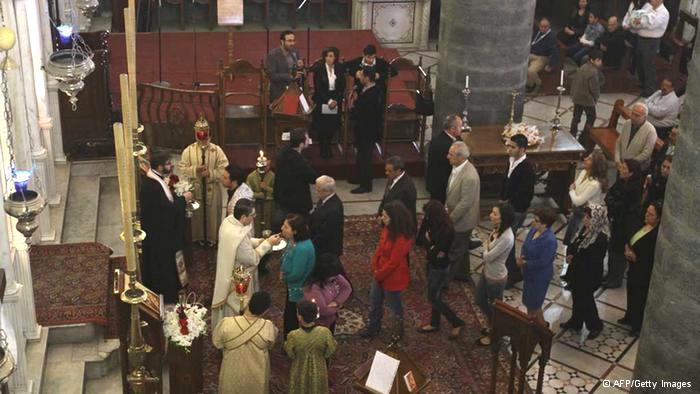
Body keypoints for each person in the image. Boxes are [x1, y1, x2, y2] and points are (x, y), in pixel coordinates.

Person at [212, 199, 281, 326]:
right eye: (252, 215)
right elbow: (252, 258)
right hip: (239, 278)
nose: (254, 218)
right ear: (243, 216)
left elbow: (243, 243)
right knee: (239, 307)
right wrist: (268, 243)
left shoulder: (229, 222)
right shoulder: (238, 235)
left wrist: (259, 241)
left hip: (227, 270)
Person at [140, 151, 192, 303]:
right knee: (164, 268)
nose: (172, 165)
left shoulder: (156, 180)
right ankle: (167, 296)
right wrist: (183, 199)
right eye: (169, 163)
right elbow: (166, 212)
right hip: (160, 238)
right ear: (160, 166)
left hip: (160, 233)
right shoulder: (152, 186)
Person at [360, 201, 414, 339]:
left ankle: (397, 332)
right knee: (375, 302)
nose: (381, 219)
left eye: (385, 217)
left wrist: (379, 274)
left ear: (394, 218)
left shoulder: (402, 238)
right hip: (380, 272)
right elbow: (380, 248)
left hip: (392, 277)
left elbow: (394, 262)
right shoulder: (387, 229)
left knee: (394, 307)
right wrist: (374, 265)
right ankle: (373, 327)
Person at [416, 200, 465, 338]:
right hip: (432, 263)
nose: (425, 218)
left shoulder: (446, 230)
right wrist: (429, 242)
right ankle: (434, 322)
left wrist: (429, 242)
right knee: (434, 295)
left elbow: (434, 251)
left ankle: (456, 321)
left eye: (427, 215)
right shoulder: (432, 223)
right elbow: (420, 240)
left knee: (433, 298)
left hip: (440, 267)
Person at [213, 291, 278, 394]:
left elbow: (217, 343)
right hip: (257, 375)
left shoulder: (226, 323)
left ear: (249, 303)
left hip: (232, 371)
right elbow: (270, 346)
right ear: (265, 311)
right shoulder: (268, 327)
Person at [179, 115, 229, 246]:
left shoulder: (216, 150)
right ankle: (198, 237)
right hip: (196, 188)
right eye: (199, 132)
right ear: (195, 133)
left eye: (204, 132)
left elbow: (224, 167)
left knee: (212, 216)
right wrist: (195, 169)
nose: (202, 135)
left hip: (212, 188)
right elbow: (182, 169)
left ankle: (211, 238)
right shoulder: (188, 151)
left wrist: (211, 173)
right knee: (198, 215)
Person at [561, 205, 609, 339]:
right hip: (577, 272)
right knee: (577, 297)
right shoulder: (585, 230)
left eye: (588, 217)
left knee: (586, 301)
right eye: (585, 217)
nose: (584, 220)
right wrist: (570, 253)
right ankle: (576, 321)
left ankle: (595, 325)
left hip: (588, 275)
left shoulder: (601, 238)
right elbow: (574, 244)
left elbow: (593, 260)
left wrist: (575, 257)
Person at [619, 201, 662, 336]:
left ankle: (637, 325)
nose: (646, 215)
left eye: (650, 214)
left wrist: (635, 257)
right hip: (633, 267)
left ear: (658, 218)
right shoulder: (643, 225)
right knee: (631, 292)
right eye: (647, 212)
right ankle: (629, 316)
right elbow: (631, 237)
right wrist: (627, 247)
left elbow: (651, 256)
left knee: (639, 297)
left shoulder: (656, 235)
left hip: (643, 271)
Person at [475, 203, 515, 346]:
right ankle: (493, 325)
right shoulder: (498, 229)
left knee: (495, 308)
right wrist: (486, 247)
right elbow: (488, 245)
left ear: (503, 218)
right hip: (487, 272)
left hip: (496, 277)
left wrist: (485, 247)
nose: (491, 215)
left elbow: (487, 256)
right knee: (479, 299)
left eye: (495, 214)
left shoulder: (507, 237)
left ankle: (495, 333)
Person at [501, 134, 535, 287]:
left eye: (512, 147)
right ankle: (511, 271)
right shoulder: (511, 160)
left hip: (517, 210)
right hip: (509, 207)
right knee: (508, 239)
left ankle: (513, 274)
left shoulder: (527, 167)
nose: (508, 149)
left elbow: (525, 193)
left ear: (522, 149)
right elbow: (507, 182)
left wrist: (509, 202)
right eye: (508, 146)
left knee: (508, 240)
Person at [603, 159, 644, 289]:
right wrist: (613, 202)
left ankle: (616, 279)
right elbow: (609, 195)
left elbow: (624, 206)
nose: (621, 169)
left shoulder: (634, 188)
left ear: (631, 173)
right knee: (612, 248)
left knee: (619, 251)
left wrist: (614, 202)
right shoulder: (621, 181)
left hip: (626, 224)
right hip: (616, 220)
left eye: (624, 168)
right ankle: (609, 274)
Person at [284, 300, 337, 394]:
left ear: (299, 317)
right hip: (319, 366)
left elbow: (290, 354)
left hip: (299, 367)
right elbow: (332, 349)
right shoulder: (324, 332)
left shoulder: (293, 335)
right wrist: (322, 356)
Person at [445, 141, 480, 282]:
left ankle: (446, 280)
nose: (447, 156)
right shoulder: (457, 167)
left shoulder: (469, 177)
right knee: (462, 248)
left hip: (462, 220)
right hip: (454, 212)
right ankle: (464, 273)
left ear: (461, 157)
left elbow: (465, 203)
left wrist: (449, 219)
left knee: (455, 251)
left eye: (451, 154)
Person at [518, 208, 558, 325]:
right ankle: (532, 323)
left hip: (539, 277)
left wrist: (525, 263)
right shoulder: (533, 230)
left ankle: (541, 328)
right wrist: (522, 258)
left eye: (536, 220)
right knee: (528, 302)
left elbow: (544, 261)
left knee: (535, 305)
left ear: (545, 224)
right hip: (529, 273)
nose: (533, 222)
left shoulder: (550, 240)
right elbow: (525, 246)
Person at [273, 128, 318, 230]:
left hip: (281, 196)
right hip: (296, 201)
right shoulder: (298, 161)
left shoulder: (284, 153)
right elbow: (312, 177)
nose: (308, 140)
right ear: (301, 144)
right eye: (306, 138)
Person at [623, 0, 670, 97]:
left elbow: (651, 24)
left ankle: (650, 88)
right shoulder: (648, 8)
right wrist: (638, 21)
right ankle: (642, 82)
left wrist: (639, 21)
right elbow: (637, 16)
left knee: (648, 64)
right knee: (640, 62)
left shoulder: (664, 12)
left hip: (651, 41)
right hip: (641, 38)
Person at [280, 214, 316, 338]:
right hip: (291, 284)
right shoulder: (294, 241)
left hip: (297, 287)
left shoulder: (302, 248)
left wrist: (284, 277)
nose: (282, 228)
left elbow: (297, 274)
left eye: (286, 227)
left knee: (292, 316)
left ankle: (292, 340)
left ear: (295, 231)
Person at [350, 67, 384, 194]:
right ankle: (359, 177)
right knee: (360, 155)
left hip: (368, 130)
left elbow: (363, 111)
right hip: (362, 129)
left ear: (368, 78)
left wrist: (355, 102)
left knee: (366, 157)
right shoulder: (368, 88)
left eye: (362, 76)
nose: (360, 78)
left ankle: (366, 184)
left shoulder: (373, 94)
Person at [563, 150, 608, 246]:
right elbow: (577, 188)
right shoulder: (583, 172)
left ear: (595, 165)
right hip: (578, 208)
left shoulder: (595, 184)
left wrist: (571, 190)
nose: (585, 159)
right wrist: (575, 192)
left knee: (580, 237)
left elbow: (578, 199)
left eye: (589, 159)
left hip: (587, 213)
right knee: (571, 231)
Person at [303, 253, 353, 332]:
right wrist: (338, 306)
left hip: (331, 320)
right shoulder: (313, 290)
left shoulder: (333, 276)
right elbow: (324, 311)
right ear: (323, 274)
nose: (337, 278)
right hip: (318, 325)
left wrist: (337, 302)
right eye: (334, 276)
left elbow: (347, 288)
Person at [312, 47, 345, 159]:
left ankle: (329, 146)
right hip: (322, 99)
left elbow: (342, 87)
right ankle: (323, 148)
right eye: (330, 56)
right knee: (322, 126)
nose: (333, 58)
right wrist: (328, 100)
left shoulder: (340, 68)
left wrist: (335, 100)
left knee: (332, 125)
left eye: (334, 56)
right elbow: (318, 88)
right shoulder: (319, 69)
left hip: (336, 99)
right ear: (325, 57)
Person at [570, 49, 603, 153]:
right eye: (599, 60)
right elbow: (594, 88)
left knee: (576, 117)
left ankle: (572, 135)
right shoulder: (593, 72)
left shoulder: (582, 67)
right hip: (587, 99)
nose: (601, 63)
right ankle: (583, 138)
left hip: (577, 97)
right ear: (594, 60)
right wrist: (595, 98)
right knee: (592, 117)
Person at [426, 114, 463, 203]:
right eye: (460, 126)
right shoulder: (449, 146)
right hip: (442, 185)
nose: (462, 129)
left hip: (434, 181)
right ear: (452, 129)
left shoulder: (440, 137)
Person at [614, 103, 658, 172]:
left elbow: (646, 154)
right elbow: (619, 142)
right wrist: (617, 159)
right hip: (622, 163)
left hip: (636, 168)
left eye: (637, 115)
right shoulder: (627, 123)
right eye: (632, 114)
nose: (633, 117)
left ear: (645, 117)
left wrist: (628, 165)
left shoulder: (651, 131)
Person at [378, 156, 417, 228]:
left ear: (398, 170)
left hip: (401, 226)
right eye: (386, 170)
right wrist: (380, 214)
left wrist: (387, 221)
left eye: (389, 171)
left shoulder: (407, 188)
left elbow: (402, 213)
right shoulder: (392, 177)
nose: (386, 173)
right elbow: (386, 197)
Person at [310, 175, 344, 257]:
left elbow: (326, 234)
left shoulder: (333, 210)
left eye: (318, 190)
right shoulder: (324, 199)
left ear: (325, 191)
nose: (315, 192)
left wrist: (309, 244)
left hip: (327, 250)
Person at [266, 30, 303, 101]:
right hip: (280, 92)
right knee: (289, 110)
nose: (292, 43)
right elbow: (272, 76)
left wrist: (300, 67)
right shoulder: (273, 55)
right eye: (289, 41)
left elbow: (297, 71)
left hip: (295, 90)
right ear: (282, 41)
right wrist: (290, 76)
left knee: (301, 110)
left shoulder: (295, 52)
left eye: (293, 41)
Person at [527, 17, 560, 92]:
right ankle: (531, 82)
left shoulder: (552, 37)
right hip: (531, 53)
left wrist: (551, 65)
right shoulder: (537, 32)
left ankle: (535, 84)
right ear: (539, 25)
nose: (543, 28)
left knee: (531, 71)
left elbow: (554, 52)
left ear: (549, 26)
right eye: (541, 26)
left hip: (541, 57)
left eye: (545, 27)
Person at [246, 158, 275, 236]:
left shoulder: (272, 176)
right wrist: (258, 195)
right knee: (257, 223)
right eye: (265, 166)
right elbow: (247, 193)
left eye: (268, 165)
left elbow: (277, 192)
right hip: (256, 203)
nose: (267, 167)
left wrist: (267, 188)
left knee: (268, 223)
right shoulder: (251, 176)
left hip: (269, 204)